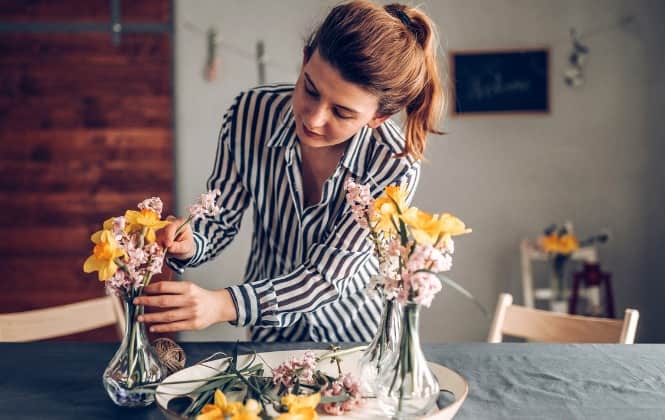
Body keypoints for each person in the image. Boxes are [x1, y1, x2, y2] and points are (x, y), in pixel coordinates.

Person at [133, 1, 445, 342]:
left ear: (378, 117)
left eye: (341, 112)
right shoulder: (250, 115)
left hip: (355, 335)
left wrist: (222, 305)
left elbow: (327, 278)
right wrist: (191, 241)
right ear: (304, 58)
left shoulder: (394, 164)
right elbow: (218, 220)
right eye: (310, 89)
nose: (313, 118)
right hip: (269, 333)